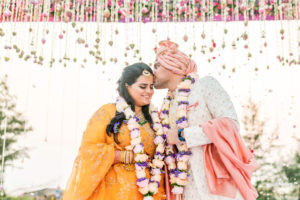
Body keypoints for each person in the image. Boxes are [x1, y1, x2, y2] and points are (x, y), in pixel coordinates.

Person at [153, 40, 258, 200]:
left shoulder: (205, 85)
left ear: (172, 66)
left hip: (217, 183)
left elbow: (230, 124)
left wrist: (183, 135)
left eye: (157, 66)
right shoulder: (166, 104)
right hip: (185, 188)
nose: (153, 73)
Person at [63, 63, 166, 200]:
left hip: (150, 190)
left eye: (151, 86)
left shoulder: (155, 118)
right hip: (114, 191)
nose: (149, 91)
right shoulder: (107, 113)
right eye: (143, 86)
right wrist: (122, 156)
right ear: (127, 86)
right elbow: (88, 151)